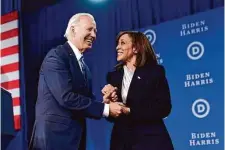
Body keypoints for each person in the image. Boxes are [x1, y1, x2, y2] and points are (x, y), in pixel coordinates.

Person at [29, 13, 123, 150]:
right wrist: (106, 109)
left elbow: (83, 103)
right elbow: (66, 97)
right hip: (53, 140)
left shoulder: (85, 68)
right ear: (73, 29)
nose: (94, 35)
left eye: (95, 31)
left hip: (75, 140)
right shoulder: (57, 56)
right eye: (89, 29)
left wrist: (105, 102)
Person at [102, 31, 174, 150]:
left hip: (150, 141)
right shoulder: (113, 76)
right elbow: (113, 116)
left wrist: (129, 110)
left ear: (135, 48)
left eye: (122, 43)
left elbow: (164, 108)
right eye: (117, 44)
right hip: (122, 142)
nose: (117, 47)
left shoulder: (155, 72)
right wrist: (109, 104)